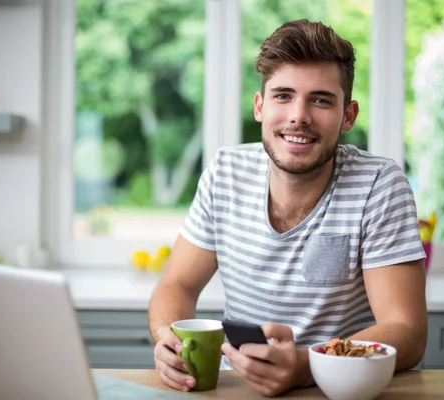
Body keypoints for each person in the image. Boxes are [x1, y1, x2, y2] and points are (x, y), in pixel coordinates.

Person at [148, 19, 427, 397]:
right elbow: (176, 285)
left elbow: (406, 331)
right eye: (283, 95)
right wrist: (170, 340)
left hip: (343, 391)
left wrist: (306, 364)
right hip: (241, 388)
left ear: (349, 115)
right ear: (260, 106)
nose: (299, 115)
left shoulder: (379, 184)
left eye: (320, 99)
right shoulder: (225, 174)